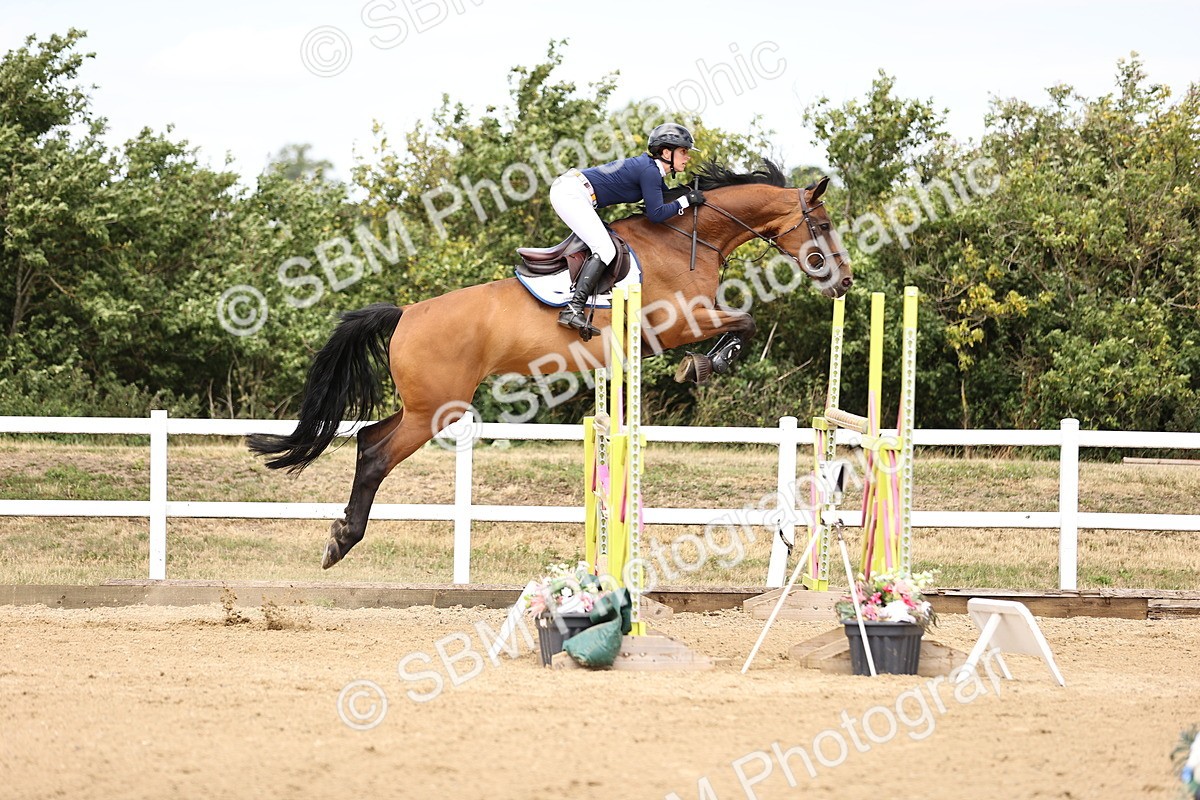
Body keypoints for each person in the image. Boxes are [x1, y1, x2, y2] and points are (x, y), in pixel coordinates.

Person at [550, 122, 707, 336]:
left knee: (604, 244)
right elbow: (656, 214)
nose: (687, 157)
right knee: (605, 249)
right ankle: (573, 308)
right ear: (666, 152)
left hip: (577, 192)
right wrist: (686, 201)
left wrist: (690, 198)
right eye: (683, 151)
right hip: (571, 193)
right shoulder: (650, 171)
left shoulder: (652, 172)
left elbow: (667, 203)